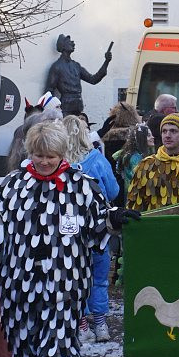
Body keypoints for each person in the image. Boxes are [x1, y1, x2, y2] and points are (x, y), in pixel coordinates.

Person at [0, 120, 136, 357]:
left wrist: (113, 218)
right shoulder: (10, 186)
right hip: (19, 283)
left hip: (65, 282)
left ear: (62, 153)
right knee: (26, 346)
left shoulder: (81, 184)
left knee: (59, 344)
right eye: (39, 155)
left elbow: (97, 220)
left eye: (51, 155)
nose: (44, 161)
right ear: (29, 152)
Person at [63, 116, 120, 345]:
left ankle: (81, 324)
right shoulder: (96, 158)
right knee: (99, 278)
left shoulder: (58, 163)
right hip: (98, 228)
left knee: (75, 278)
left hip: (69, 230)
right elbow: (113, 191)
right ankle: (100, 324)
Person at [44, 34, 112, 117]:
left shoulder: (76, 66)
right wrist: (53, 110)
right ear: (63, 46)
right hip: (66, 106)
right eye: (70, 42)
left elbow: (93, 79)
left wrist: (106, 62)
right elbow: (49, 90)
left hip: (78, 105)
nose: (73, 44)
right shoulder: (56, 66)